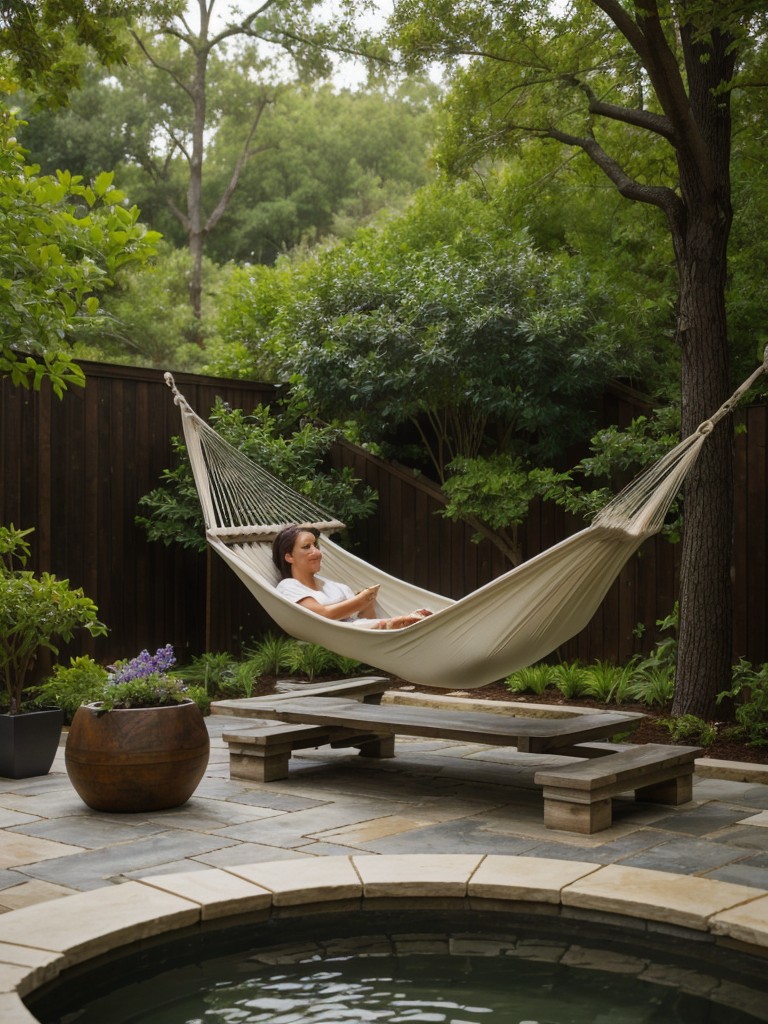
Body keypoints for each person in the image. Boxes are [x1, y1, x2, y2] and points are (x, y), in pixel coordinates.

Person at [272, 524, 432, 630]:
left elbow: (364, 619)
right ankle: (401, 623)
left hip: (362, 632)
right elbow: (323, 615)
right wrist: (360, 601)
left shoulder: (334, 586)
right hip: (339, 634)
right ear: (289, 557)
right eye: (307, 547)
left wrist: (366, 605)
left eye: (316, 546)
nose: (317, 552)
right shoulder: (288, 586)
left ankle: (401, 623)